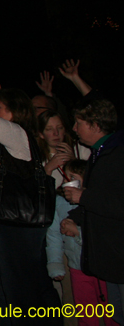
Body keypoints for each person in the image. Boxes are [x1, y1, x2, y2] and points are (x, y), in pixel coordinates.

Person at [0, 65, 61, 324]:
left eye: (0, 108)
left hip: (17, 225)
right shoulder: (12, 141)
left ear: (15, 113)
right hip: (14, 226)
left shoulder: (17, 134)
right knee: (33, 286)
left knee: (20, 291)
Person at [63, 97, 124, 326]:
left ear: (96, 126)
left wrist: (84, 196)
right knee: (116, 316)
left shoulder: (117, 154)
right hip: (111, 257)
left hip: (119, 254)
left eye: (78, 123)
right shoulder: (101, 153)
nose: (74, 129)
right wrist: (73, 218)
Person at [49, 159, 116, 326]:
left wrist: (78, 231)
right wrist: (55, 263)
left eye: (73, 177)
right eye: (65, 178)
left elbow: (103, 234)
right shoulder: (59, 203)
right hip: (76, 267)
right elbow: (54, 236)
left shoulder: (94, 202)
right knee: (85, 313)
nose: (67, 182)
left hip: (101, 267)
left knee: (111, 313)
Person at [38, 110, 90, 188]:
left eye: (60, 128)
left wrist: (74, 162)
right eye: (49, 129)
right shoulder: (37, 157)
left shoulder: (81, 148)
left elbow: (93, 180)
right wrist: (48, 169)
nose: (56, 133)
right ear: (41, 134)